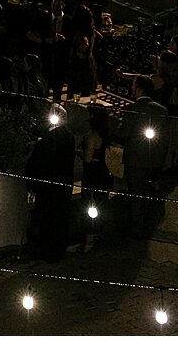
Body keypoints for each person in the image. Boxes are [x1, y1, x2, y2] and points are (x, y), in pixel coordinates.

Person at [121, 75, 168, 237]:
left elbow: (124, 133)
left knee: (136, 193)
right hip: (155, 159)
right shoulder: (161, 110)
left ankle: (136, 228)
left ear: (138, 89)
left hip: (136, 158)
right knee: (149, 192)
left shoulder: (133, 109)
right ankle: (148, 222)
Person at [25, 114, 76, 262]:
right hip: (63, 185)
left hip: (48, 187)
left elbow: (34, 165)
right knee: (61, 217)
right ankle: (59, 250)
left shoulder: (44, 143)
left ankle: (47, 251)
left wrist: (32, 185)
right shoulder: (68, 138)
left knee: (48, 219)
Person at [80, 103, 113, 252]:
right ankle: (99, 234)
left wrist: (78, 152)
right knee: (101, 203)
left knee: (89, 204)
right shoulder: (105, 134)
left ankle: (89, 240)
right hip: (103, 172)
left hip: (92, 173)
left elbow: (87, 158)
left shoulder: (91, 136)